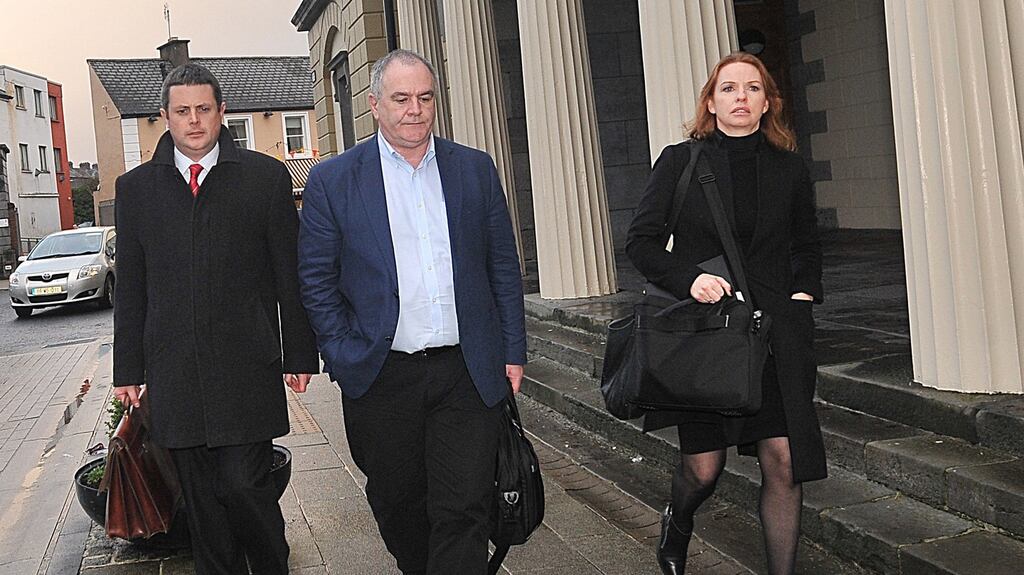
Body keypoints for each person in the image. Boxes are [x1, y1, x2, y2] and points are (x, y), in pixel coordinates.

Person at [297, 49, 527, 574]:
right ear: (374, 105)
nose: (414, 110)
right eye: (401, 99)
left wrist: (512, 349)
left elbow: (502, 266)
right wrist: (342, 348)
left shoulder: (474, 168)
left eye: (424, 97)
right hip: (382, 374)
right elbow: (316, 280)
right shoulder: (335, 181)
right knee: (399, 504)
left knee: (463, 507)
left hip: (466, 371)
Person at [112, 63, 320, 575]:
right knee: (202, 504)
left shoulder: (264, 179)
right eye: (182, 111)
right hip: (175, 371)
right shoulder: (136, 190)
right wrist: (129, 371)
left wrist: (299, 353)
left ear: (222, 111)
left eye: (204, 109)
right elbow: (132, 288)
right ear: (165, 117)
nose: (194, 121)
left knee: (245, 485)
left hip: (245, 366)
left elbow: (288, 276)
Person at [626, 52, 825, 575]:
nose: (741, 97)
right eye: (729, 88)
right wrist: (689, 279)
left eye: (753, 88)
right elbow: (642, 244)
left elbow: (807, 245)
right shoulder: (681, 161)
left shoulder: (789, 167)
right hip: (709, 336)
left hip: (776, 338)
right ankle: (678, 519)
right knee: (704, 470)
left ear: (767, 103)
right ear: (711, 102)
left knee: (783, 461)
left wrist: (802, 295)